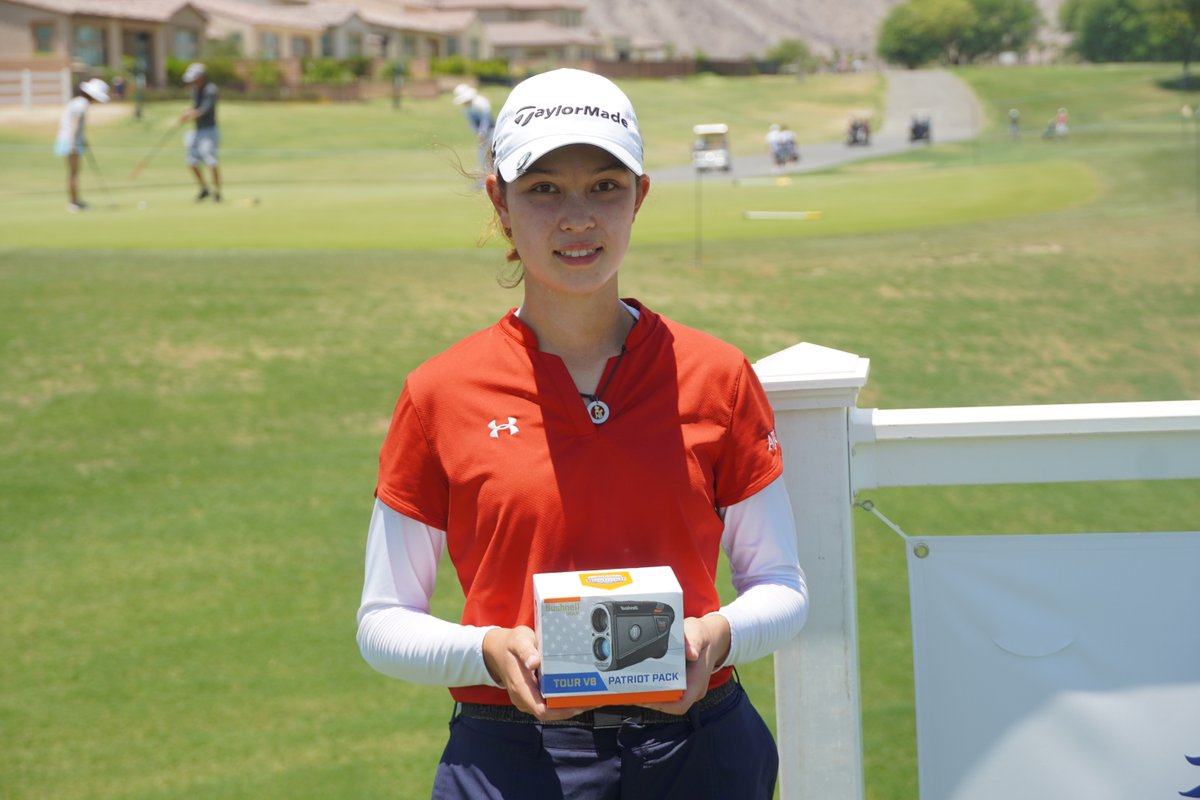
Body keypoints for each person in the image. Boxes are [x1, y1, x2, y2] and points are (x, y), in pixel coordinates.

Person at [358, 68, 809, 799]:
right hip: (512, 757)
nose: (578, 218)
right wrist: (487, 650)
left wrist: (714, 637)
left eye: (605, 186)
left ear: (640, 197)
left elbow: (780, 585)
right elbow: (383, 622)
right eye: (543, 189)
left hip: (701, 751)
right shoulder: (440, 392)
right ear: (500, 203)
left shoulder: (717, 374)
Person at [54, 78, 109, 213]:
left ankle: (75, 200)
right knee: (73, 173)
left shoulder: (77, 102)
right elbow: (75, 123)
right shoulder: (82, 104)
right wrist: (73, 142)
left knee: (73, 173)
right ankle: (73, 203)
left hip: (69, 140)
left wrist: (82, 140)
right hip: (70, 141)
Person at [179, 62, 221, 202]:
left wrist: (190, 114)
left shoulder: (210, 89)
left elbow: (205, 110)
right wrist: (188, 112)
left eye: (194, 79)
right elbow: (195, 107)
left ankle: (217, 192)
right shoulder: (194, 90)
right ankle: (204, 189)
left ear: (201, 77)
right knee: (191, 162)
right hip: (197, 131)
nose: (192, 82)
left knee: (211, 161)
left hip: (209, 130)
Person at [452, 82, 494, 174]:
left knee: (489, 156)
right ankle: (482, 180)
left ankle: (487, 179)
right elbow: (473, 124)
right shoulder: (466, 109)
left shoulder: (480, 102)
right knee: (482, 156)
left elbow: (486, 119)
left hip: (491, 131)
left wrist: (482, 133)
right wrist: (478, 134)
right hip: (481, 134)